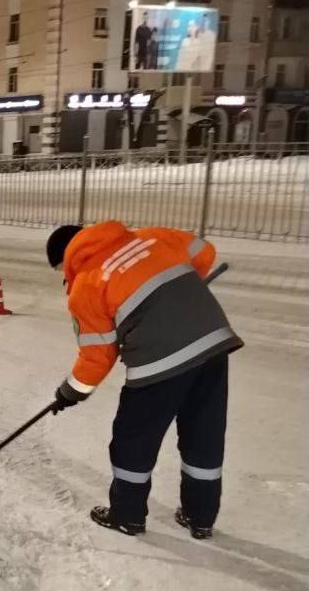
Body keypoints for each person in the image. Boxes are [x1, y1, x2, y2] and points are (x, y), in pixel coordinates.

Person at [46, 222, 243, 539]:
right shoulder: (150, 237)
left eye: (60, 270)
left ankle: (126, 515)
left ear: (66, 258)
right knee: (203, 433)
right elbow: (204, 251)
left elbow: (97, 357)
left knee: (133, 438)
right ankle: (200, 517)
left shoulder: (85, 283)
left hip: (159, 360)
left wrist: (69, 392)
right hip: (212, 341)